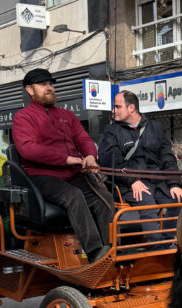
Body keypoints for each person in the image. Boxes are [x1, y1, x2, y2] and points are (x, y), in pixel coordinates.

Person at [12, 68, 113, 264]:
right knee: (74, 196)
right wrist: (67, 159)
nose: (49, 88)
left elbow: (83, 138)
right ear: (30, 90)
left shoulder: (67, 115)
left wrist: (91, 156)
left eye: (50, 84)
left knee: (104, 197)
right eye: (43, 84)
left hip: (73, 174)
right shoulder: (23, 117)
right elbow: (28, 150)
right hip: (42, 176)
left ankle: (111, 249)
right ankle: (95, 252)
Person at [98, 90, 182, 244]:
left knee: (180, 200)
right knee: (147, 202)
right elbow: (110, 159)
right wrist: (133, 181)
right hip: (127, 183)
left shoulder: (155, 127)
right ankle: (156, 248)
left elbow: (167, 157)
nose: (113, 111)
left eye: (117, 107)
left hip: (157, 182)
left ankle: (166, 240)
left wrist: (174, 184)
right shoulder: (111, 131)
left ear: (131, 108)